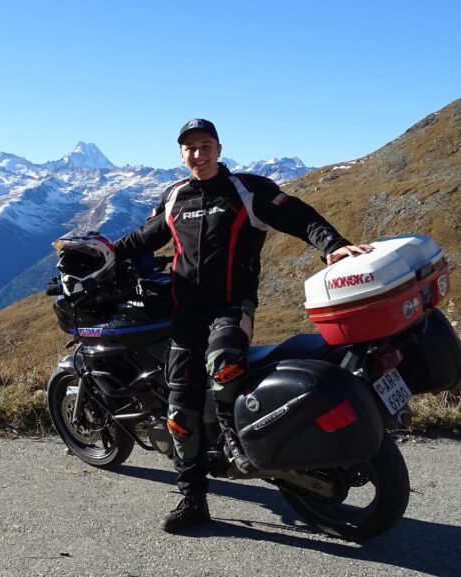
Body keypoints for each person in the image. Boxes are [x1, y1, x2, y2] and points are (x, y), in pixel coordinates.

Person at [112, 118, 372, 533]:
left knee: (225, 365)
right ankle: (193, 498)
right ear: (181, 154)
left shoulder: (247, 191)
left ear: (218, 148)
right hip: (186, 315)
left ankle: (237, 439)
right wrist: (97, 256)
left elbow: (300, 217)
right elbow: (142, 239)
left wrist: (333, 245)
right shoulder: (174, 196)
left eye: (204, 145)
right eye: (190, 148)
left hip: (232, 307)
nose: (197, 154)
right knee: (179, 411)